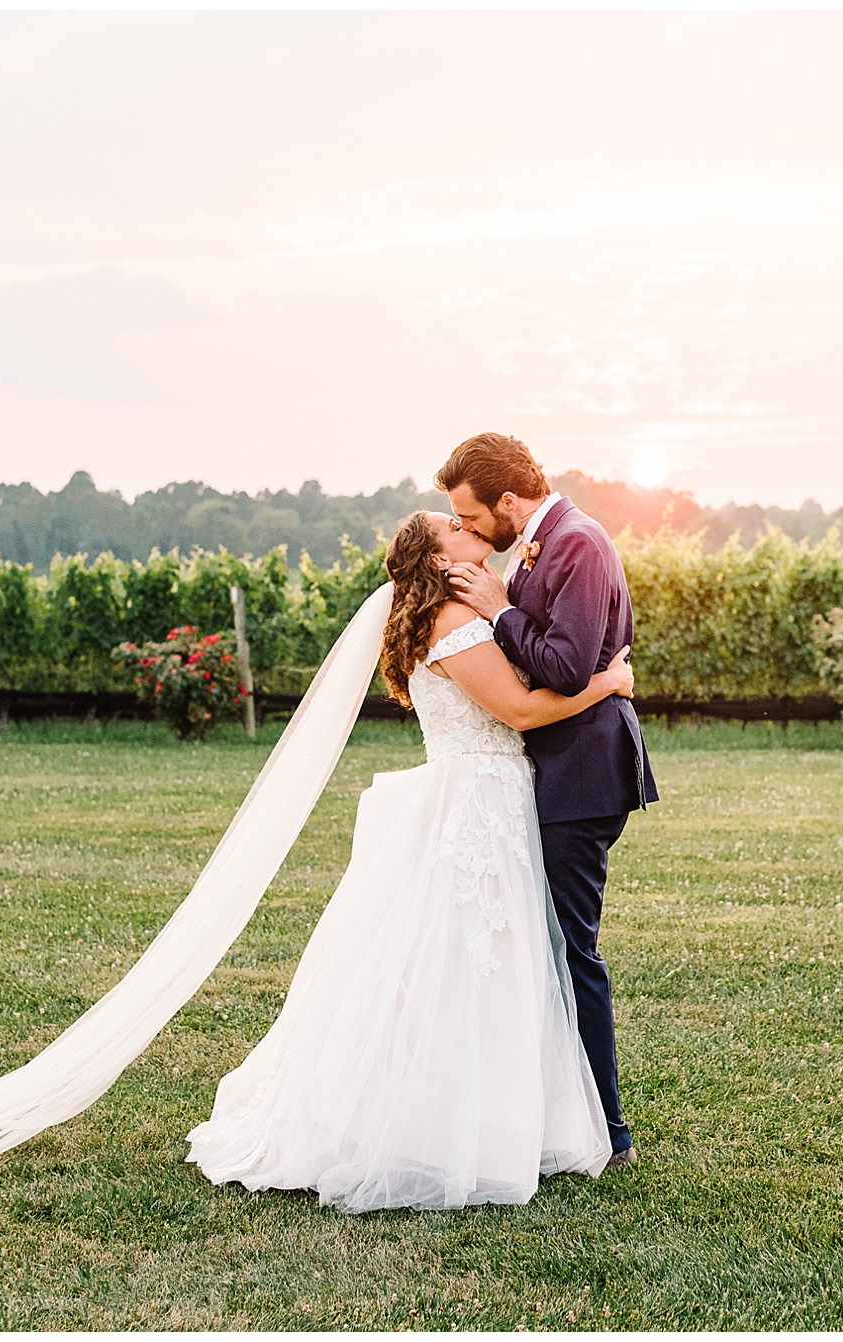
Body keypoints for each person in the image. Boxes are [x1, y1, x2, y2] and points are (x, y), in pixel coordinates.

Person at [185, 509, 635, 1211]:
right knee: (465, 965)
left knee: (492, 966)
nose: (466, 525)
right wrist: (607, 682)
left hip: (492, 796)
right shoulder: (450, 621)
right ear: (438, 558)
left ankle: (499, 1119)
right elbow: (519, 710)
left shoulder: (456, 611)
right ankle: (436, 1126)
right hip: (479, 801)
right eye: (452, 525)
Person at [437, 432, 657, 1168]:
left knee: (569, 947)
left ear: (508, 501)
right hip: (552, 770)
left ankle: (610, 1132)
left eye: (471, 517)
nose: (467, 530)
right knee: (542, 946)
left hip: (583, 774)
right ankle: (548, 1115)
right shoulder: (540, 544)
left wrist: (501, 609)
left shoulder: (579, 543)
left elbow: (564, 669)